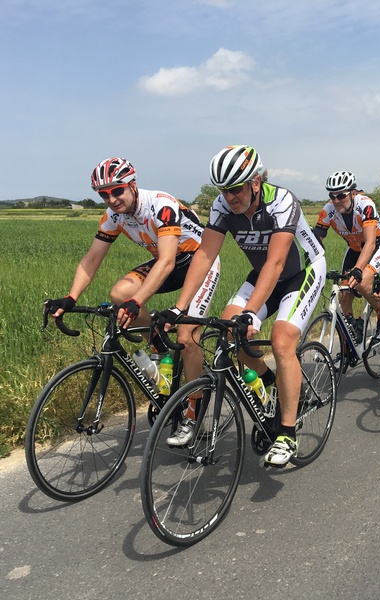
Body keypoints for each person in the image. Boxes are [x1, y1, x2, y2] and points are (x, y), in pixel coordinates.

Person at [158, 145, 326, 467]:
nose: (229, 197)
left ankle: (287, 433)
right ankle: (271, 381)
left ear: (255, 182)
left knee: (282, 340)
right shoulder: (222, 206)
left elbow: (276, 263)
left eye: (235, 188)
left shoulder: (281, 201)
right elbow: (205, 255)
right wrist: (180, 307)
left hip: (302, 271)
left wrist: (251, 312)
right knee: (230, 331)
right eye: (223, 190)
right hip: (263, 274)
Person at [46, 158, 220, 437]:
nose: (112, 199)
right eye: (104, 194)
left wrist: (137, 302)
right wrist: (71, 297)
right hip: (168, 264)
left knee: (187, 338)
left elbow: (166, 261)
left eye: (117, 191)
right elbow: (92, 258)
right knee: (120, 293)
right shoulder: (113, 216)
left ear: (133, 185)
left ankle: (194, 412)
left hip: (199, 263)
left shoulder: (161, 205)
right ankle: (159, 344)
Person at [313, 171, 380, 342]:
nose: (336, 200)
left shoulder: (365, 205)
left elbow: (370, 242)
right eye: (332, 196)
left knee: (362, 282)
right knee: (344, 292)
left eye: (341, 195)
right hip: (355, 249)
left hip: (378, 245)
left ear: (353, 193)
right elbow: (315, 241)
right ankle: (351, 336)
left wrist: (358, 269)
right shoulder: (328, 211)